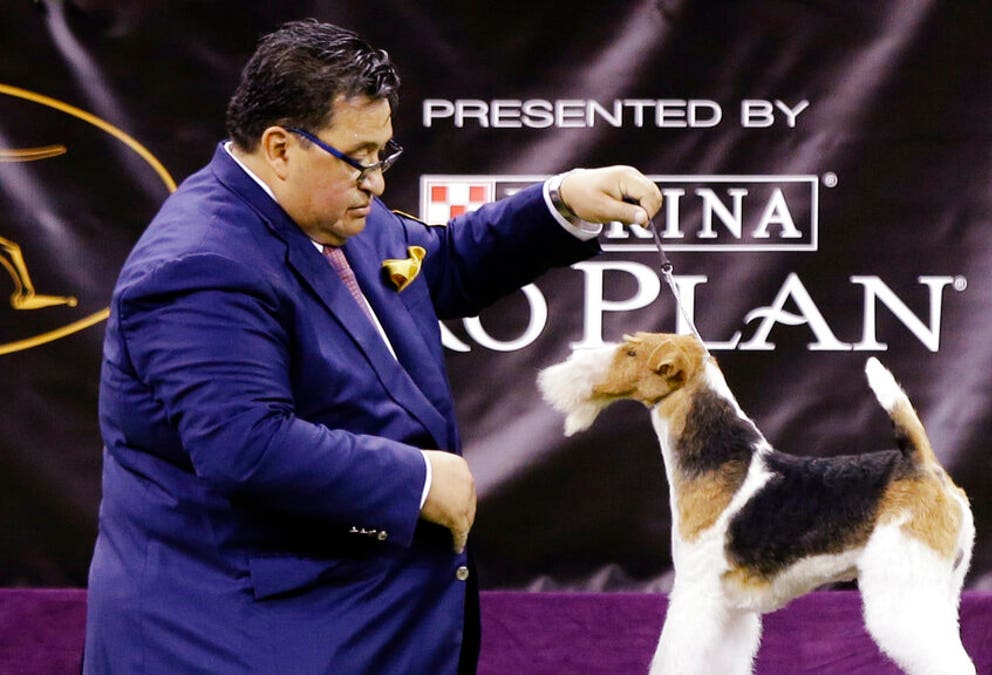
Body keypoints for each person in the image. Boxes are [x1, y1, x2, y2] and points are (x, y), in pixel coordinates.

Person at [83, 18, 662, 675]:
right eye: (360, 157)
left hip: (347, 622)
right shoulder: (199, 263)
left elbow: (431, 268)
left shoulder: (329, 206)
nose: (377, 182)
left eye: (384, 155)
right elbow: (246, 445)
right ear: (279, 147)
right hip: (237, 640)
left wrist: (560, 204)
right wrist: (417, 479)